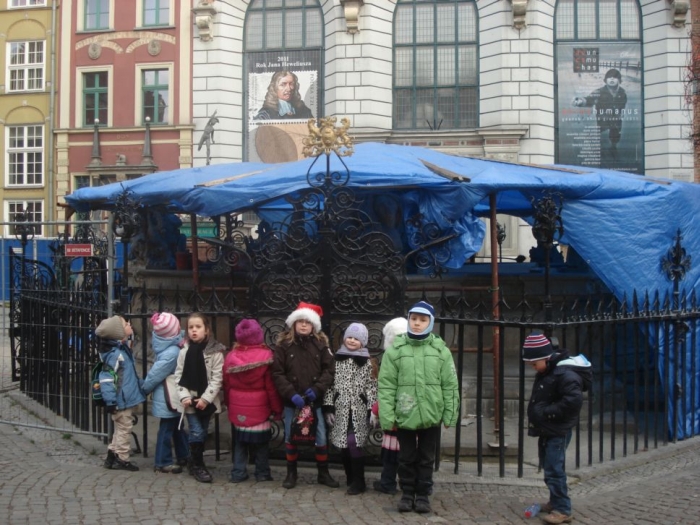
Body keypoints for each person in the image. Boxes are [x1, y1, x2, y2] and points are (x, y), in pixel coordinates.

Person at [378, 301, 460, 514]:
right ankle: (407, 493)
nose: (417, 323)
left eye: (422, 320)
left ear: (430, 323)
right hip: (405, 413)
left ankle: (423, 494)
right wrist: (387, 416)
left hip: (431, 413)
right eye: (414, 319)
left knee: (426, 458)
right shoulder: (395, 351)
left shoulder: (440, 351)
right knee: (406, 457)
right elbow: (386, 386)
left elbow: (450, 384)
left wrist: (450, 414)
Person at [522, 332, 592, 525]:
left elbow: (573, 401)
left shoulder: (565, 375)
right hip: (548, 428)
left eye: (534, 364)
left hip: (557, 429)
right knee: (549, 466)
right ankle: (555, 501)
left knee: (554, 468)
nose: (533, 368)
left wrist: (547, 412)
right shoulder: (549, 372)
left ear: (545, 358)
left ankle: (563, 509)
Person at [271, 302, 339, 489]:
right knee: (290, 437)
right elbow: (277, 373)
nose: (303, 325)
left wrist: (317, 389)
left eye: (307, 322)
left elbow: (329, 370)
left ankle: (323, 473)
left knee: (321, 437)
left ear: (313, 325)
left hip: (314, 401)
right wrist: (290, 393)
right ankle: (291, 473)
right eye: (300, 321)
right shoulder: (284, 346)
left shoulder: (321, 345)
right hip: (293, 401)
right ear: (293, 323)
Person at [223, 318, 283, 483]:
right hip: (260, 408)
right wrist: (277, 409)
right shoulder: (266, 356)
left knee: (240, 443)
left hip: (238, 407)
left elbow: (226, 385)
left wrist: (229, 404)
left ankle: (238, 472)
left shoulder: (231, 356)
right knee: (262, 443)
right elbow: (271, 388)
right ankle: (262, 472)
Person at [322, 323, 377, 495]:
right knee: (344, 445)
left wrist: (372, 409)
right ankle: (350, 476)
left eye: (356, 339)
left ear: (363, 342)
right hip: (341, 409)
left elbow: (372, 387)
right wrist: (329, 407)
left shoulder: (367, 363)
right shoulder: (336, 361)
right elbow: (330, 386)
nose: (352, 341)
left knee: (354, 442)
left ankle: (359, 481)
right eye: (349, 337)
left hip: (358, 410)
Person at [173, 313, 226, 483]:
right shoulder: (184, 352)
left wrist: (205, 399)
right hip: (190, 401)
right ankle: (198, 465)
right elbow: (178, 376)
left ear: (207, 330)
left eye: (198, 327)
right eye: (190, 327)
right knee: (196, 430)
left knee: (202, 431)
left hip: (206, 400)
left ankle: (192, 460)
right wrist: (184, 396)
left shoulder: (215, 352)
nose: (194, 330)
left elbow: (217, 378)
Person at [141, 312, 189, 474]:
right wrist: (144, 389)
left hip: (171, 397)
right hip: (168, 398)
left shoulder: (168, 346)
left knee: (177, 426)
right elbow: (155, 375)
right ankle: (163, 461)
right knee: (167, 429)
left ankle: (184, 455)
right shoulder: (172, 353)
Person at [96, 315, 145, 471]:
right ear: (118, 333)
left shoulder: (120, 349)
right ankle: (122, 459)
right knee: (125, 429)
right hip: (120, 401)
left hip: (122, 399)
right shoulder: (116, 355)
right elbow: (106, 379)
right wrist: (110, 401)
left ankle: (112, 455)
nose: (129, 324)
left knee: (119, 429)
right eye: (125, 324)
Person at [372, 317, 407, 495]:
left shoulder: (391, 358)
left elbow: (386, 388)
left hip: (395, 413)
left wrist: (377, 409)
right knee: (403, 455)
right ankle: (404, 483)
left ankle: (388, 483)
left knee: (391, 455)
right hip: (407, 414)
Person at [572, 68, 627, 159]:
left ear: (619, 80)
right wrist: (581, 101)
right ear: (605, 80)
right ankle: (601, 151)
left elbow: (623, 104)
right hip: (603, 118)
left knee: (615, 134)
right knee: (601, 133)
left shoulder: (622, 92)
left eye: (615, 77)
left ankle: (613, 147)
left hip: (616, 118)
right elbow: (590, 99)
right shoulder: (600, 91)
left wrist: (621, 113)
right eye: (609, 77)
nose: (612, 79)